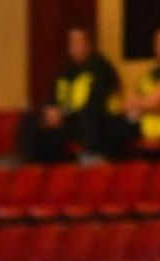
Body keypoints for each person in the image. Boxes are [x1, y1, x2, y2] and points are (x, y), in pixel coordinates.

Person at [19, 26, 122, 162]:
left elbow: (95, 103)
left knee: (88, 120)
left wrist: (64, 114)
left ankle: (91, 161)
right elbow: (53, 96)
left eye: (79, 42)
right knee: (30, 120)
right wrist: (50, 111)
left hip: (91, 121)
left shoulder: (101, 69)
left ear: (89, 45)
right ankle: (30, 169)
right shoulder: (65, 71)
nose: (74, 46)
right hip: (65, 121)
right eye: (71, 42)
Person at [124, 26, 160, 143]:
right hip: (143, 122)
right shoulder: (148, 74)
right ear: (155, 47)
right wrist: (145, 104)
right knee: (110, 122)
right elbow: (128, 104)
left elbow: (154, 103)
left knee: (114, 129)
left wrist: (142, 104)